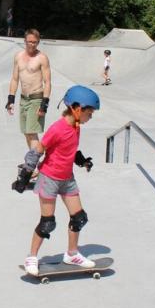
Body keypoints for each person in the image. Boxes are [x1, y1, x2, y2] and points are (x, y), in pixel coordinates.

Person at [16, 85, 99, 276]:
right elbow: (38, 150)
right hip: (50, 178)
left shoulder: (76, 126)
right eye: (90, 112)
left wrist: (81, 160)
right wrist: (25, 176)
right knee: (47, 222)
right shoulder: (57, 128)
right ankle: (32, 256)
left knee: (79, 218)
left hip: (67, 178)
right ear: (77, 109)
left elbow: (69, 149)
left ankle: (72, 254)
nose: (91, 117)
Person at [5, 29, 52, 184]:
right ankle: (36, 163)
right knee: (26, 133)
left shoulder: (42, 58)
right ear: (24, 41)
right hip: (23, 100)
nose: (32, 44)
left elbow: (48, 82)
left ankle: (36, 167)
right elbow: (14, 79)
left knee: (32, 133)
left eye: (35, 42)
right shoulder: (18, 56)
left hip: (37, 99)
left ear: (38, 42)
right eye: (29, 41)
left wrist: (45, 103)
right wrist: (10, 99)